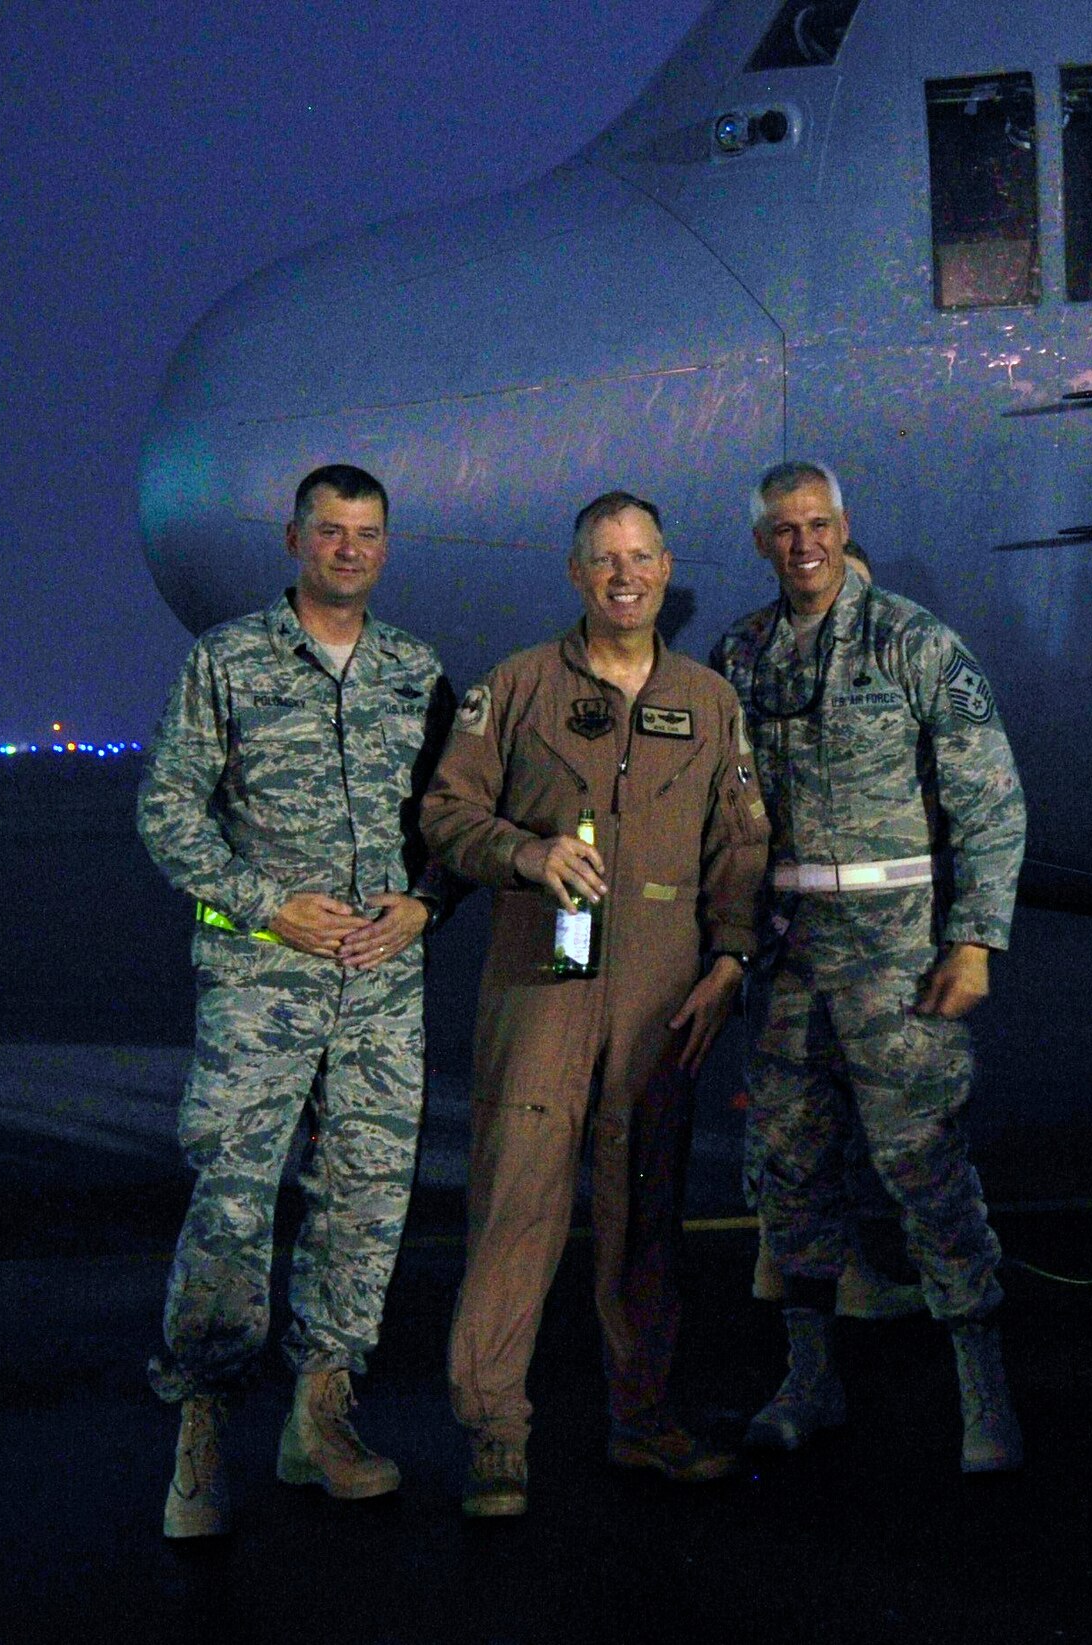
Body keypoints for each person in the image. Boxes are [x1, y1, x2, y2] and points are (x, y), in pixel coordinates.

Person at [421, 490, 769, 1517]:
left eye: (640, 557)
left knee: (645, 1212)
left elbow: (738, 842)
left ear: (666, 570)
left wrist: (731, 957)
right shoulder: (516, 689)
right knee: (516, 1203)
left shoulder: (707, 702)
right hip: (542, 976)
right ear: (575, 574)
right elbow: (445, 810)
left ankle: (645, 1419)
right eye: (603, 559)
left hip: (665, 985)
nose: (623, 575)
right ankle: (493, 1433)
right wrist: (523, 852)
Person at [137, 462, 457, 1537]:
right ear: (292, 541)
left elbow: (452, 820)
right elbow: (170, 813)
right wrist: (266, 904)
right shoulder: (225, 661)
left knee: (364, 1198)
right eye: (330, 532)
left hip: (380, 983)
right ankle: (202, 1422)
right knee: (231, 1199)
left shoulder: (416, 671)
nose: (350, 549)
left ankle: (321, 1411)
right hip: (261, 981)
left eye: (367, 533)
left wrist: (426, 901)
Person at [711, 460, 1028, 1472]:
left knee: (921, 1165)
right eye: (782, 529)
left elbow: (987, 799)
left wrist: (973, 939)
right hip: (792, 952)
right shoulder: (744, 653)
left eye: (816, 524)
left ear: (843, 529)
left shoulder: (911, 641)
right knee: (789, 1167)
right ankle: (810, 1379)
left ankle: (982, 1393)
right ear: (761, 542)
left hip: (896, 953)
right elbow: (724, 808)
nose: (801, 543)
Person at [746, 534, 926, 1321]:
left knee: (812, 1110)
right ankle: (829, 1271)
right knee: (813, 1111)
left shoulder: (881, 685)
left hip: (854, 933)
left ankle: (784, 1263)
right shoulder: (771, 689)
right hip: (802, 934)